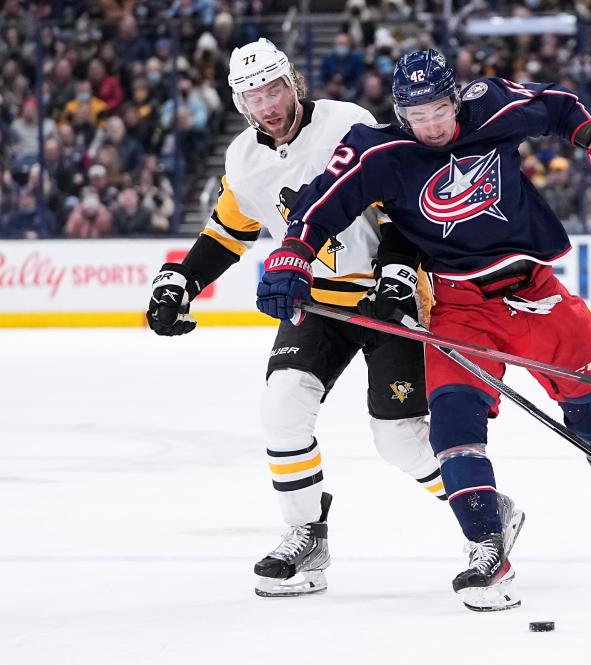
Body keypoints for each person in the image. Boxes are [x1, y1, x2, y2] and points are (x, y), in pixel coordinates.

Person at [255, 49, 591, 610]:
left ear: (456, 97)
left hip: (534, 291)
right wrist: (293, 253)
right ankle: (488, 547)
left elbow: (561, 105)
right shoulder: (379, 151)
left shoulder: (491, 106)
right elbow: (321, 200)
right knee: (451, 429)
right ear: (400, 113)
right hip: (460, 308)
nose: (432, 125)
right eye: (417, 116)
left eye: (440, 109)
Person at [144, 40, 501, 599]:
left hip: (385, 294)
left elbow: (404, 203)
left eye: (275, 88)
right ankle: (305, 534)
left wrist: (399, 272)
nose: (268, 104)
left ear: (295, 83)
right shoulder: (243, 159)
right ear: (240, 103)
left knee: (400, 440)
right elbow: (227, 232)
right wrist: (182, 280)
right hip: (315, 302)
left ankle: (488, 512)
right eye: (254, 95)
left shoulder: (346, 124)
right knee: (282, 406)